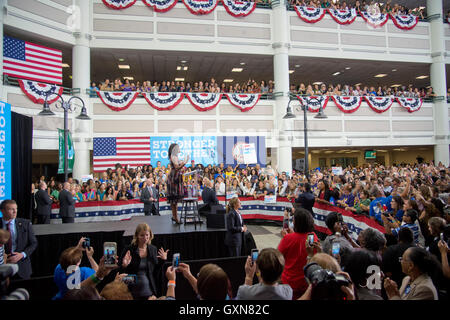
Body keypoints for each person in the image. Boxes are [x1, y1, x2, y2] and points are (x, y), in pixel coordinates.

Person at [119, 223, 169, 300]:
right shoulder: (129, 249)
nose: (145, 238)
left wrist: (163, 260)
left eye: (147, 235)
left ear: (150, 235)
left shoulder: (153, 249)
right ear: (137, 236)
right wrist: (124, 265)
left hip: (148, 291)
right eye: (142, 235)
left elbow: (155, 271)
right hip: (131, 291)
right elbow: (120, 273)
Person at [277, 207, 319, 299]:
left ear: (296, 222)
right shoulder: (313, 237)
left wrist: (286, 238)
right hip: (308, 281)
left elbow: (278, 256)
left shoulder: (288, 239)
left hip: (289, 282)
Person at [0, 200, 38, 280]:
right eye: (11, 209)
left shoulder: (25, 223)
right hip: (2, 268)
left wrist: (22, 255)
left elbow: (33, 243)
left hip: (22, 267)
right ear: (2, 211)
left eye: (16, 209)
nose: (15, 211)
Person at [167, 143, 189, 224]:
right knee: (174, 201)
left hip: (175, 178)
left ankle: (174, 217)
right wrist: (185, 162)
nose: (179, 148)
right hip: (174, 179)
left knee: (174, 201)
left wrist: (182, 167)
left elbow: (176, 168)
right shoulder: (174, 156)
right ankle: (176, 218)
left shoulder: (174, 157)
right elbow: (176, 168)